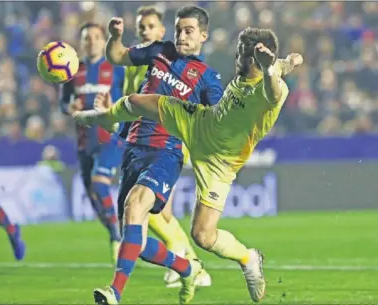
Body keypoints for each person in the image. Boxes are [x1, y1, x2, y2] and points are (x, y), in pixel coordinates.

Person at [73, 27, 303, 303]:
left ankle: (248, 257)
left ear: (255, 60)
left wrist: (271, 71)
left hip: (220, 160)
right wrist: (289, 62)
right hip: (201, 123)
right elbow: (281, 65)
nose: (237, 58)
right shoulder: (263, 66)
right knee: (138, 101)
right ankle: (103, 118)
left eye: (241, 54)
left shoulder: (271, 89)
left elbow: (274, 89)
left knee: (202, 236)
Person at [88, 5, 224, 305]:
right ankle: (186, 268)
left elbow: (219, 120)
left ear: (203, 35)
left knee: (136, 204)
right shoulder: (160, 51)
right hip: (134, 147)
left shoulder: (208, 78)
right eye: (179, 29)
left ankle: (114, 292)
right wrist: (115, 36)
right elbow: (117, 56)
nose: (182, 35)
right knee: (132, 237)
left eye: (188, 31)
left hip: (167, 152)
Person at [119, 5, 211, 289]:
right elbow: (134, 102)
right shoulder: (142, 66)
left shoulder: (170, 62)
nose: (144, 32)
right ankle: (184, 264)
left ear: (161, 33)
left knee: (152, 212)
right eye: (140, 28)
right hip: (138, 143)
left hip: (166, 146)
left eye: (150, 27)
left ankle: (190, 264)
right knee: (141, 220)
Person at [59, 23, 126, 264]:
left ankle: (120, 234)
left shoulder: (116, 68)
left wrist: (114, 107)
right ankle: (113, 232)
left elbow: (128, 96)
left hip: (110, 138)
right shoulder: (71, 70)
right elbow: (63, 103)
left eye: (97, 37)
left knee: (100, 185)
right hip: (84, 142)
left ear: (102, 40)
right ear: (82, 42)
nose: (92, 42)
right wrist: (70, 108)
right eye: (87, 38)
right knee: (93, 197)